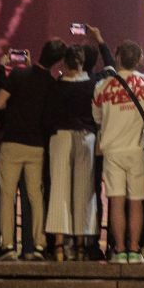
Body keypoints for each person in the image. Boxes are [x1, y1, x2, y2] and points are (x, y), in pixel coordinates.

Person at [0, 40, 57, 261]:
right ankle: (38, 244)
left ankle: (8, 245)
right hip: (36, 146)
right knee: (35, 196)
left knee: (8, 195)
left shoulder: (18, 75)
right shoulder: (51, 83)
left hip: (12, 143)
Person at [92, 39, 144, 264]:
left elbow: (97, 117)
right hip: (137, 149)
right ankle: (135, 250)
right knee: (136, 201)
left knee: (116, 201)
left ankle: (118, 249)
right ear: (139, 60)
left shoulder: (103, 86)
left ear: (117, 58)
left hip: (112, 150)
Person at [43, 44, 98, 261]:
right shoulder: (93, 85)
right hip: (86, 137)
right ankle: (81, 245)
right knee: (84, 191)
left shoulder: (56, 86)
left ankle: (58, 245)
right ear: (82, 63)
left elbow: (48, 115)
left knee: (60, 189)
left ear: (64, 63)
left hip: (61, 136)